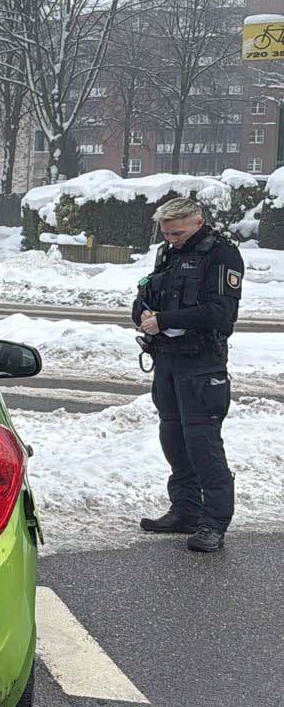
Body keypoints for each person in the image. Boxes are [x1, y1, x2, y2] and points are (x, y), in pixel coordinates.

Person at [132, 196, 244, 552]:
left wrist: (165, 320)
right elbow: (149, 292)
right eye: (166, 234)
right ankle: (185, 511)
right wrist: (143, 312)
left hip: (202, 363)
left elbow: (220, 312)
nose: (171, 240)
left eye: (177, 233)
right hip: (167, 360)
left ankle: (214, 523)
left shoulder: (222, 255)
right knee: (174, 442)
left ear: (198, 221)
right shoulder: (168, 253)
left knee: (203, 446)